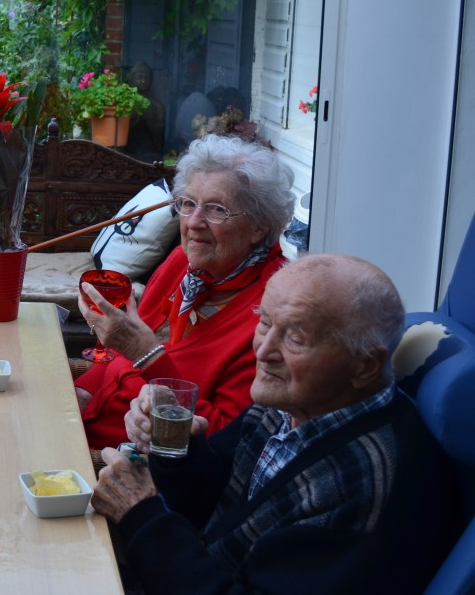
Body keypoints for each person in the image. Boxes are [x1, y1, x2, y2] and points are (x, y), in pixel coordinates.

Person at [93, 254, 463, 594]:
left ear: (365, 365)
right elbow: (213, 501)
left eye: (296, 338)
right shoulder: (295, 402)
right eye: (264, 323)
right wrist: (177, 446)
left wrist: (141, 516)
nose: (263, 350)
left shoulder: (361, 482)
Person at [74, 133, 294, 451]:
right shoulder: (183, 264)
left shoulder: (271, 312)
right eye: (188, 204)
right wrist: (84, 391)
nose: (193, 222)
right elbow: (121, 350)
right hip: (82, 424)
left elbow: (225, 440)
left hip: (124, 458)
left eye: (216, 210)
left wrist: (146, 353)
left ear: (259, 226)